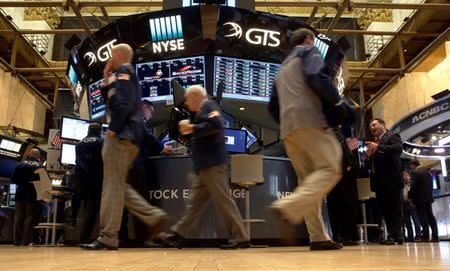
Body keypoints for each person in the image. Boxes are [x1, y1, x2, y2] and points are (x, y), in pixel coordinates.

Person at [81, 43, 167, 250]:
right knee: (118, 185)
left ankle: (108, 236)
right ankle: (153, 215)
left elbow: (124, 104)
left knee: (111, 186)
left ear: (119, 55)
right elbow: (113, 99)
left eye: (111, 55)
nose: (109, 58)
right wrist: (106, 77)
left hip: (120, 135)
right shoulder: (120, 75)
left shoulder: (125, 71)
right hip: (128, 137)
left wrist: (113, 128)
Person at [268, 28, 347, 250]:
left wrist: (287, 122)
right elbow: (318, 78)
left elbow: (273, 106)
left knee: (308, 183)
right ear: (308, 39)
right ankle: (287, 207)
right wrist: (339, 105)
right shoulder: (309, 51)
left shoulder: (281, 70)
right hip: (311, 121)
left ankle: (318, 236)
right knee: (331, 169)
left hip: (289, 131)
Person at [160, 85, 250, 249]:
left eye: (187, 99)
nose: (186, 103)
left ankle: (241, 237)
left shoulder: (209, 105)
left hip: (213, 165)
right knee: (194, 205)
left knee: (224, 202)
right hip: (204, 167)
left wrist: (192, 128)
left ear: (196, 96)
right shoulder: (200, 113)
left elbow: (217, 124)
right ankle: (178, 235)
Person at [120, 100, 173, 244]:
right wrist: (162, 147)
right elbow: (147, 138)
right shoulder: (137, 117)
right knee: (138, 201)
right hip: (136, 167)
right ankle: (144, 237)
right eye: (151, 111)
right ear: (145, 107)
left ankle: (123, 238)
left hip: (126, 166)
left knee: (125, 204)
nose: (151, 115)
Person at [366, 118, 404, 245]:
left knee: (394, 208)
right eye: (370, 126)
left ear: (383, 124)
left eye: (374, 124)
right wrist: (368, 156)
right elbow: (371, 165)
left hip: (392, 181)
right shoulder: (375, 143)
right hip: (379, 183)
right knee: (386, 209)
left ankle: (396, 236)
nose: (372, 127)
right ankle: (392, 236)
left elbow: (397, 149)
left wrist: (378, 147)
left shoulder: (392, 136)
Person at [70, 123, 103, 243]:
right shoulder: (100, 142)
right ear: (99, 131)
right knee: (91, 210)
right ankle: (84, 238)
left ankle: (80, 235)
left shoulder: (79, 144)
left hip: (80, 180)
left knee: (83, 210)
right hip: (95, 180)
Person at [327, 130, 359, 246]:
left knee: (335, 205)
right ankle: (346, 236)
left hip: (331, 173)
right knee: (345, 205)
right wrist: (348, 165)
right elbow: (342, 150)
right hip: (342, 173)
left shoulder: (326, 132)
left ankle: (338, 235)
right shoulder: (336, 132)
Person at [11, 149, 43, 246]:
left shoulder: (20, 165)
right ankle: (26, 241)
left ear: (29, 154)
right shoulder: (40, 166)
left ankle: (16, 241)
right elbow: (45, 183)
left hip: (20, 195)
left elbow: (13, 179)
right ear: (39, 157)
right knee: (29, 218)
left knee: (18, 218)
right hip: (33, 196)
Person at [409, 160, 439, 242]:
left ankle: (425, 236)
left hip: (419, 199)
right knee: (430, 217)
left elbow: (413, 186)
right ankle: (435, 236)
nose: (411, 168)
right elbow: (431, 186)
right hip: (428, 198)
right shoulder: (428, 173)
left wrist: (410, 196)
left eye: (411, 166)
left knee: (422, 218)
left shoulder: (415, 173)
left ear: (413, 165)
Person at [401, 171, 421, 242]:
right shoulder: (401, 186)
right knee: (407, 223)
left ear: (409, 176)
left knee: (416, 221)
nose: (404, 177)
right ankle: (410, 238)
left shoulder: (412, 184)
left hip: (412, 204)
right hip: (404, 205)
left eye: (406, 176)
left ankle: (418, 237)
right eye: (403, 176)